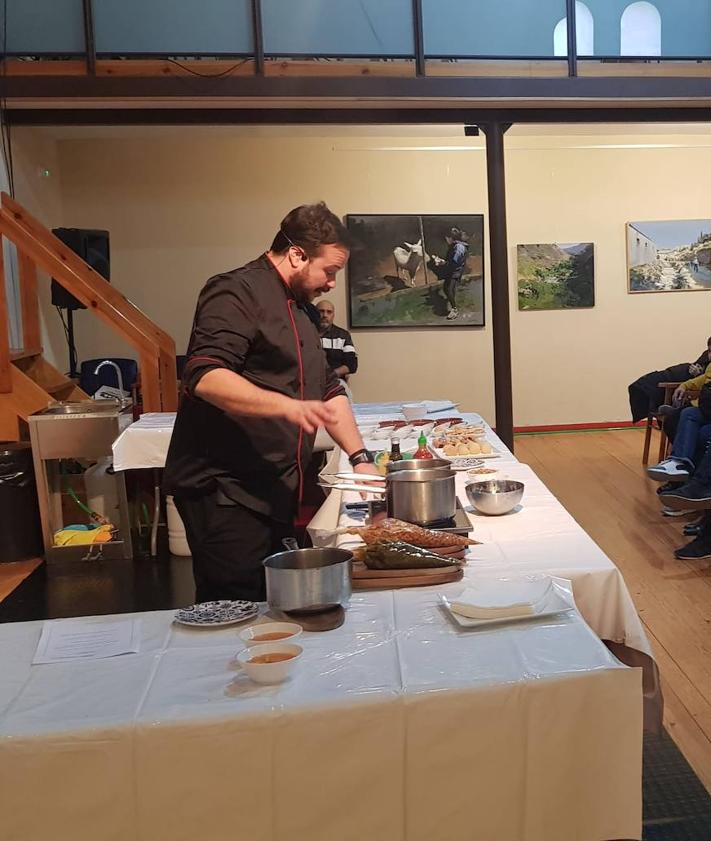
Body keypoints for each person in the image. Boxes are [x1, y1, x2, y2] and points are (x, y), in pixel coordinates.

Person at [163, 202, 379, 603]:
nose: (332, 283)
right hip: (225, 490)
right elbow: (205, 375)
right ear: (297, 254)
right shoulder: (235, 291)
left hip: (274, 488)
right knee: (235, 609)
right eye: (329, 271)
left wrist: (361, 457)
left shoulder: (301, 310)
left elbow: (328, 388)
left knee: (275, 604)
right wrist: (288, 407)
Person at [647, 360, 711, 481]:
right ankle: (679, 463)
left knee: (701, 432)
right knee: (684, 415)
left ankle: (689, 474)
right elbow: (703, 379)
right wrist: (684, 385)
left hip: (705, 408)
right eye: (709, 351)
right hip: (705, 408)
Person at [628, 337, 711, 424]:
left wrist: (696, 375)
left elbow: (703, 380)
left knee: (685, 414)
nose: (710, 354)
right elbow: (700, 375)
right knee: (649, 381)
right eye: (709, 351)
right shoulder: (706, 356)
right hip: (685, 372)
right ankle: (660, 406)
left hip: (689, 382)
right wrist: (684, 385)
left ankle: (674, 411)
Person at [430, 227, 469, 321]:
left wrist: (442, 262)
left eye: (446, 238)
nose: (446, 240)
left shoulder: (459, 247)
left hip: (455, 271)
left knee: (448, 288)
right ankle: (453, 305)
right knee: (447, 288)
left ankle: (454, 309)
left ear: (450, 238)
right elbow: (451, 261)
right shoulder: (455, 246)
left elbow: (454, 262)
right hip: (453, 270)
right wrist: (443, 261)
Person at [315, 299, 358, 383]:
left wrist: (331, 375)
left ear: (333, 315)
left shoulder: (343, 335)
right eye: (321, 311)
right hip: (310, 381)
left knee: (347, 394)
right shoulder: (305, 332)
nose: (325, 315)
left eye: (329, 312)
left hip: (335, 380)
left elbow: (352, 365)